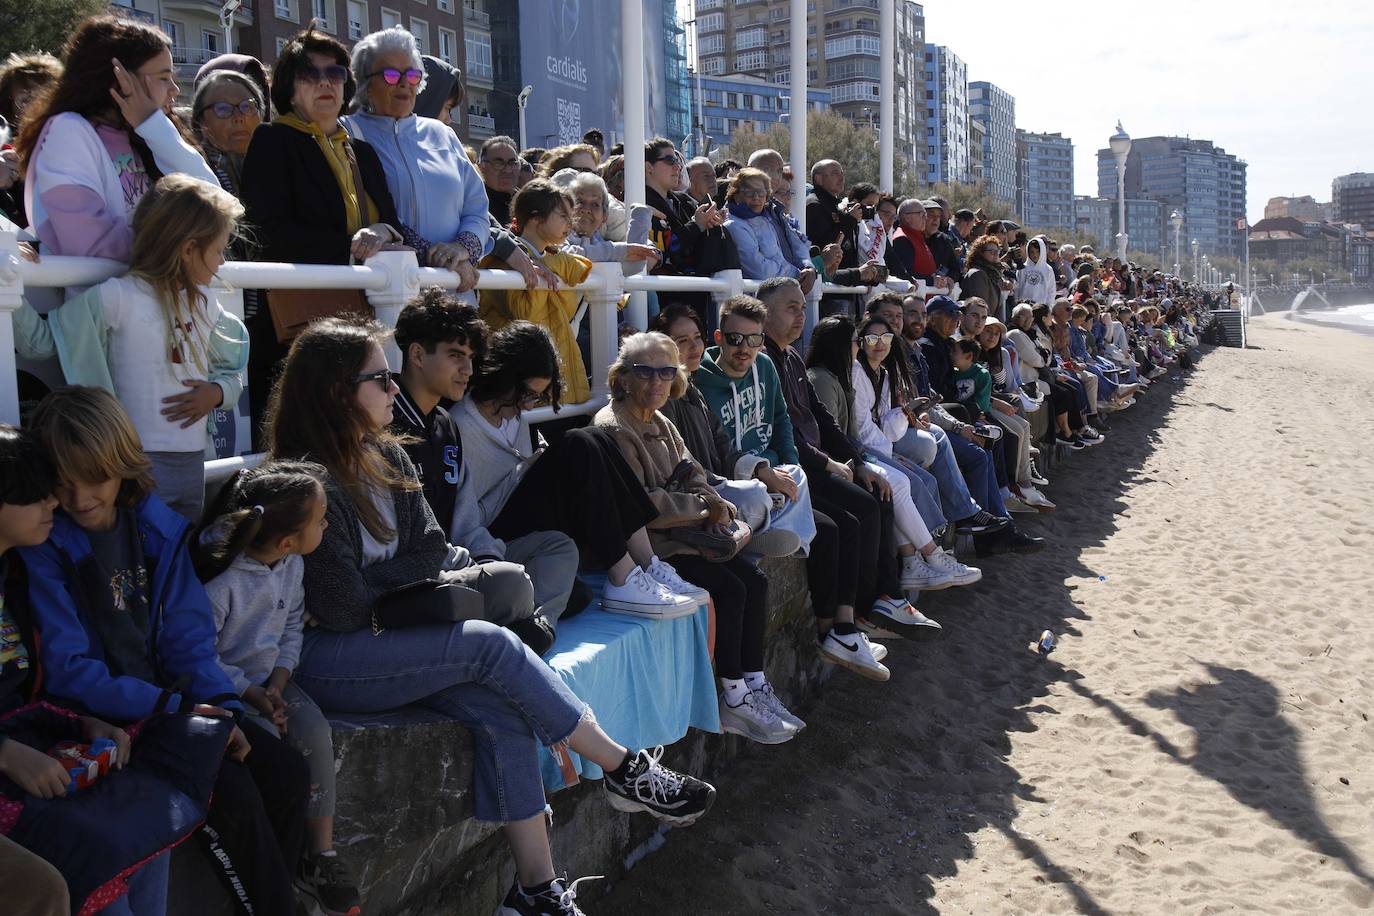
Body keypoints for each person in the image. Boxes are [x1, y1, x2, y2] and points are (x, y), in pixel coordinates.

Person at [265, 318, 717, 915]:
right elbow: (341, 608)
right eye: (379, 378)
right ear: (334, 391)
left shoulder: (389, 458)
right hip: (323, 659)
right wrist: (413, 579)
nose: (394, 390)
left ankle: (535, 890)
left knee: (500, 704)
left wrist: (400, 578)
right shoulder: (308, 482)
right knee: (485, 644)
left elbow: (426, 548)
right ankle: (623, 766)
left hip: (390, 636)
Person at [20, 387, 311, 916]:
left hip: (173, 707)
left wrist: (223, 709)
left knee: (287, 774)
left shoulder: (153, 527)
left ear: (123, 466)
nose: (80, 497)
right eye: (63, 484)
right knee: (235, 797)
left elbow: (187, 638)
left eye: (96, 479)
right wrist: (177, 711)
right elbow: (68, 670)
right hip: (111, 721)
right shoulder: (46, 548)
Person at [0, 423, 199, 916]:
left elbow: (22, 697)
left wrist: (82, 725)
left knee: (150, 819)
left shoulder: (16, 574)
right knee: (95, 855)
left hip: (34, 751)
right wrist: (8, 755)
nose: (56, 503)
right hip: (15, 773)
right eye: (36, 495)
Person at [595, 332, 804, 744]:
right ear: (623, 379)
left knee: (754, 582)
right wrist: (703, 509)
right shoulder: (615, 427)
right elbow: (641, 504)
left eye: (666, 372)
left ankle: (754, 683)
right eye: (645, 372)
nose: (657, 382)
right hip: (655, 547)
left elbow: (693, 471)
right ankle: (733, 695)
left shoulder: (660, 418)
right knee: (729, 589)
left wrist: (711, 501)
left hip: (689, 532)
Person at [13, 174, 249, 521]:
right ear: (187, 250)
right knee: (141, 548)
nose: (222, 263)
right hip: (132, 462)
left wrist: (215, 393)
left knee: (180, 550)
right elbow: (41, 342)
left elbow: (232, 372)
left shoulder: (205, 306)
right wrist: (10, 280)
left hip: (193, 458)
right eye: (217, 250)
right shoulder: (117, 297)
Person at [194, 461, 362, 916]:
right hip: (229, 692)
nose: (327, 524)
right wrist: (252, 695)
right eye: (321, 519)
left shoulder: (290, 565)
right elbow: (200, 657)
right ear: (288, 540)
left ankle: (319, 857)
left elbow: (292, 625)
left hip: (272, 685)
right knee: (270, 754)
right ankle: (273, 883)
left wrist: (279, 683)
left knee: (313, 731)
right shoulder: (222, 584)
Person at [693, 295, 892, 678]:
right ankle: (829, 629)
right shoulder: (702, 380)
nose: (744, 349)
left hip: (779, 475)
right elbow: (717, 451)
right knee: (830, 529)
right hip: (743, 480)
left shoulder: (766, 365)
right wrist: (767, 472)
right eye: (735, 339)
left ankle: (844, 628)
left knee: (848, 521)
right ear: (719, 337)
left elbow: (783, 419)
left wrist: (789, 464)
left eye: (753, 340)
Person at [450, 320, 701, 618]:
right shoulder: (461, 426)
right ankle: (622, 577)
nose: (530, 406)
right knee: (578, 442)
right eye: (528, 395)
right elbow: (467, 520)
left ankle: (647, 564)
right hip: (496, 535)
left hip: (523, 513)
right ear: (504, 378)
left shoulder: (512, 414)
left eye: (538, 397)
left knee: (595, 438)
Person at [239, 28, 411, 439]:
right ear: (288, 87)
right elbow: (266, 232)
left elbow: (393, 223)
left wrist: (381, 231)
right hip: (297, 323)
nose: (324, 82)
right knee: (310, 439)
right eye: (308, 73)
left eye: (334, 73)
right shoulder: (272, 139)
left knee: (364, 436)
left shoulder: (361, 151)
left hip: (360, 316)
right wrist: (353, 249)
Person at [391, 289, 579, 649]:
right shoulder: (390, 425)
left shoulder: (444, 425)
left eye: (472, 358)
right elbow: (404, 541)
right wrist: (485, 568)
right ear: (416, 354)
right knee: (510, 582)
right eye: (456, 355)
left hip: (463, 560)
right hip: (421, 576)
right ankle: (522, 610)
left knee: (558, 548)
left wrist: (488, 558)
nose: (468, 370)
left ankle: (536, 621)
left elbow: (465, 520)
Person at [17, 15, 218, 265]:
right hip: (102, 301)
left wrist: (153, 126)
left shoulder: (149, 134)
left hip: (153, 296)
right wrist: (176, 249)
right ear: (119, 78)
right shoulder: (68, 133)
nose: (175, 89)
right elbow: (90, 246)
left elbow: (215, 208)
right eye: (164, 77)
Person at [652, 303, 813, 559]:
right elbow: (678, 466)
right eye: (682, 341)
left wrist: (761, 469)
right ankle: (754, 539)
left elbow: (723, 445)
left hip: (724, 479)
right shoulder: (663, 397)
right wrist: (748, 480)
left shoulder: (691, 388)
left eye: (696, 338)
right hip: (700, 491)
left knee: (794, 474)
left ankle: (767, 534)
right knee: (755, 495)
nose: (694, 348)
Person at [345, 26, 491, 289]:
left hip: (457, 290)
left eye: (412, 75)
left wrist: (461, 248)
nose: (403, 83)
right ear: (366, 84)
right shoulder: (347, 131)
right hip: (392, 291)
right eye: (390, 75)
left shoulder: (442, 134)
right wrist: (439, 256)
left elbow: (477, 209)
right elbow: (377, 213)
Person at [846, 316, 983, 588]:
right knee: (905, 483)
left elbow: (887, 427)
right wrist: (891, 444)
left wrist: (907, 411)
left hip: (878, 445)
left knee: (924, 479)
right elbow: (862, 429)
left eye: (885, 339)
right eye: (872, 339)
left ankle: (920, 557)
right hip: (861, 448)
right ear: (861, 343)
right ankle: (930, 554)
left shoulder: (882, 373)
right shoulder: (857, 373)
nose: (879, 345)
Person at [478, 179, 594, 403]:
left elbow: (566, 309)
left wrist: (553, 264)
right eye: (563, 216)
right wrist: (556, 265)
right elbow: (526, 314)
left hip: (553, 367)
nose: (571, 223)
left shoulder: (554, 260)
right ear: (535, 217)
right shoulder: (500, 261)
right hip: (518, 380)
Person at [0, 52, 62, 227]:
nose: (37, 106)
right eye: (26, 99)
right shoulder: (6, 153)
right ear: (10, 107)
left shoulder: (81, 141)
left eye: (45, 97)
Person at [722, 167, 811, 285]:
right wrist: (796, 274)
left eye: (761, 193)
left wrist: (808, 269)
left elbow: (781, 258)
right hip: (752, 298)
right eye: (749, 192)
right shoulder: (733, 225)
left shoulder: (766, 221)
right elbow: (759, 270)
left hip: (775, 294)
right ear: (736, 195)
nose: (756, 197)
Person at [190, 70, 265, 199]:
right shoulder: (194, 173)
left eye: (247, 106)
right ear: (200, 121)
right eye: (223, 109)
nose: (239, 117)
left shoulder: (277, 164)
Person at [960, 235, 1006, 319]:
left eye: (997, 251)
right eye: (991, 251)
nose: (996, 254)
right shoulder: (977, 275)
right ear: (980, 253)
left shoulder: (994, 275)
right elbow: (980, 309)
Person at [478, 135, 520, 226]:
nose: (507, 170)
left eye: (512, 163)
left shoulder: (527, 202)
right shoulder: (475, 204)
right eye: (498, 163)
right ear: (481, 166)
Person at [1015, 235, 1056, 306]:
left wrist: (1048, 307)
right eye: (1032, 252)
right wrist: (1017, 302)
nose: (1035, 255)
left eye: (1038, 252)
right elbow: (1017, 288)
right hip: (1024, 307)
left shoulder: (1048, 269)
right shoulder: (1022, 268)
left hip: (1041, 308)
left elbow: (1051, 291)